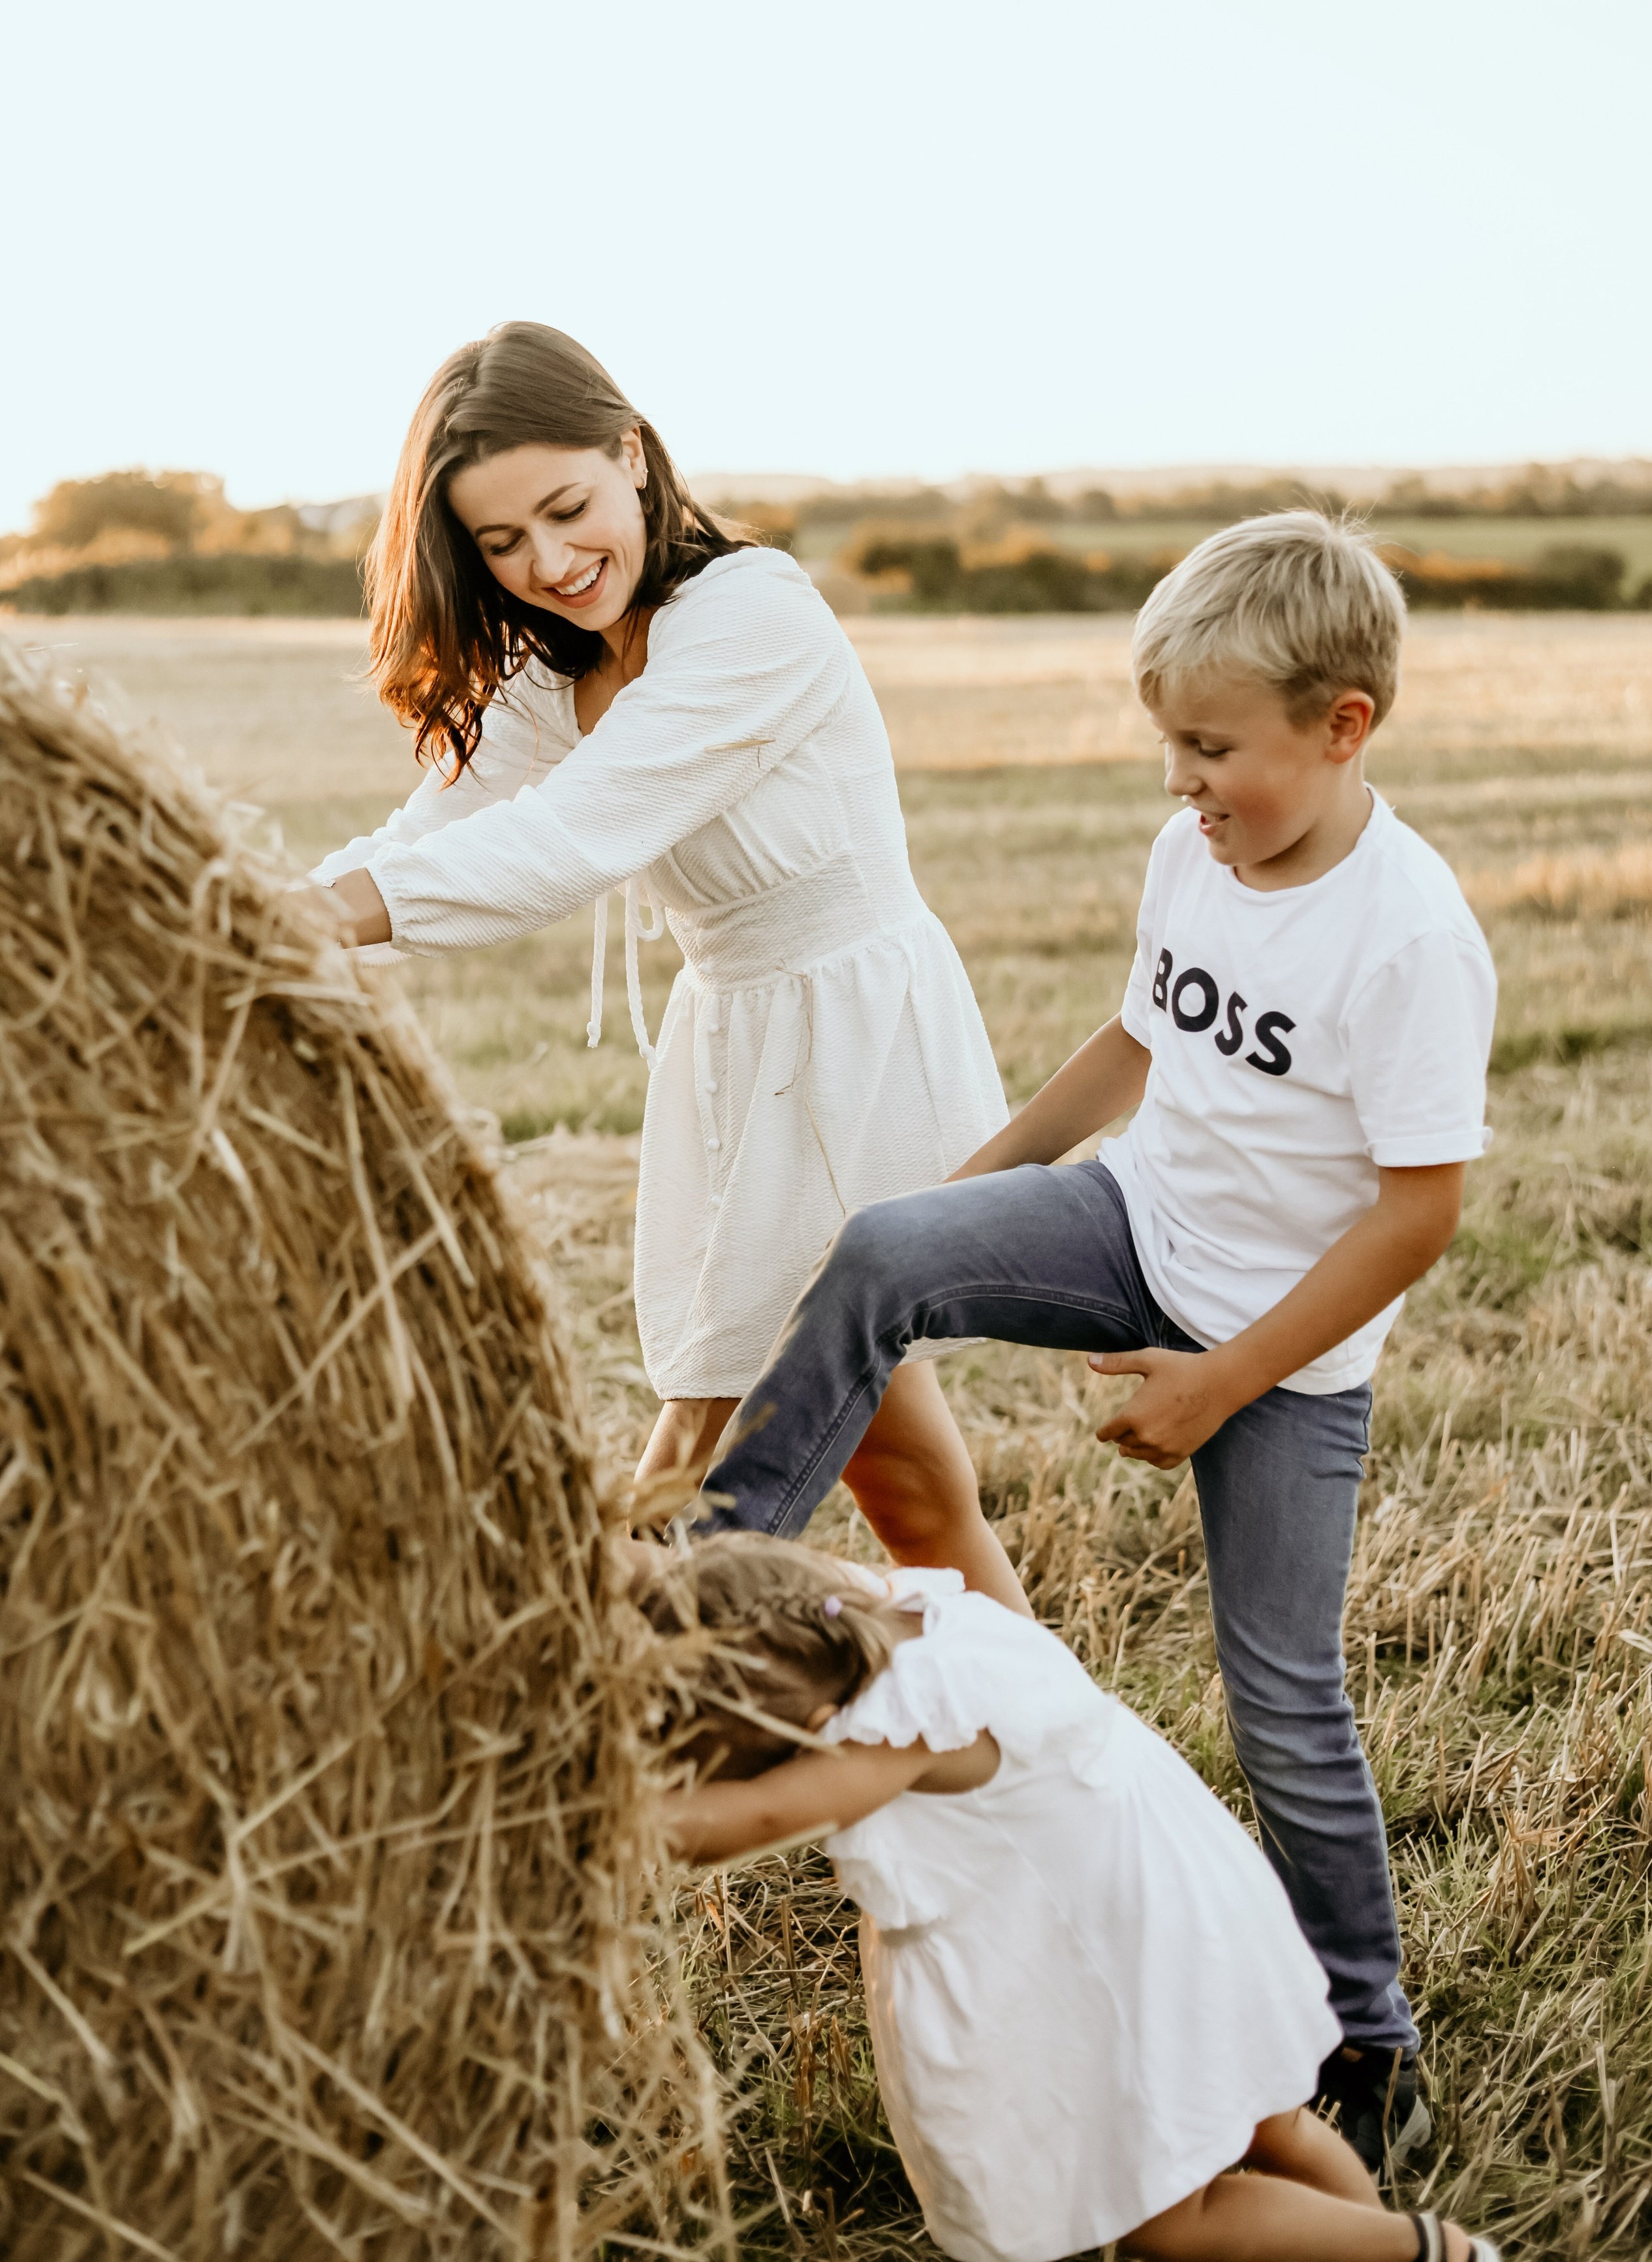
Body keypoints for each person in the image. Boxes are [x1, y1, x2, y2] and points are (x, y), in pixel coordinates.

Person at [694, 512, 1498, 2171]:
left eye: (1208, 747)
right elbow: (1131, 1042)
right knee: (871, 1255)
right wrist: (956, 1202)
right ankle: (705, 1589)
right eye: (1166, 744)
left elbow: (1414, 1216)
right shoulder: (1192, 852)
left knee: (1283, 1703)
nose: (1176, 783)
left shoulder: (1409, 936)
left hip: (1284, 1347)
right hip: (1132, 1222)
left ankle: (1368, 2032)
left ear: (1341, 726)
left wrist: (1222, 1380)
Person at [313, 321, 1016, 1605]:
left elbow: (574, 836)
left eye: (568, 508)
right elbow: (437, 836)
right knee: (907, 1485)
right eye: (499, 543)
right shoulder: (552, 666)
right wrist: (242, 914)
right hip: (737, 1050)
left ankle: (622, 1711)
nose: (547, 562)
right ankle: (1048, 1758)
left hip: (849, 1048)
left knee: (702, 1464)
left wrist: (302, 926)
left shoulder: (749, 615)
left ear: (631, 455)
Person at [648, 1533, 1500, 2262]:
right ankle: (1383, 2245)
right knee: (1272, 2125)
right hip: (1178, 1899)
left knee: (1172, 2222)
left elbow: (754, 1815)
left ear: (820, 1719)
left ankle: (1428, 2250)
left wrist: (572, 1812)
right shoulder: (890, 1608)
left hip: (1119, 1955)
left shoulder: (899, 1724)